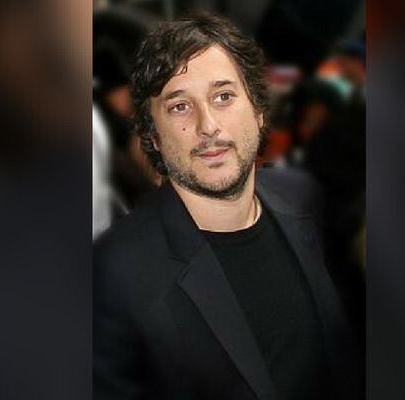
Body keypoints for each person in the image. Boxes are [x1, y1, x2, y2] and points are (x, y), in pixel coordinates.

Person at [94, 15, 360, 400]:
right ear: (153, 136)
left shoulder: (306, 198)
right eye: (180, 106)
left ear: (259, 111)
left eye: (223, 96)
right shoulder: (113, 273)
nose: (208, 126)